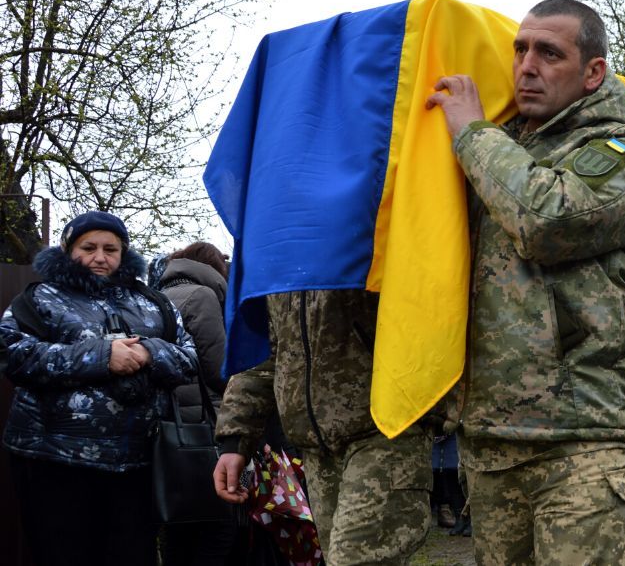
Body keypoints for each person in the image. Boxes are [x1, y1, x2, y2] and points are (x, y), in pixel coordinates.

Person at [425, 0, 625, 564]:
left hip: (581, 442)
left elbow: (547, 220)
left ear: (593, 72)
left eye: (549, 53)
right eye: (520, 49)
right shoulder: (500, 146)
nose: (527, 66)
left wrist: (472, 133)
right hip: (490, 439)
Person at [2, 210, 198, 566]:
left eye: (110, 249)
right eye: (88, 247)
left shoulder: (153, 302)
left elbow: (189, 358)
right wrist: (102, 356)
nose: (99, 257)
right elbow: (14, 355)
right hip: (56, 462)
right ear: (68, 250)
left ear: (123, 253)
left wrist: (149, 351)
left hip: (138, 464)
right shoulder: (39, 299)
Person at [213, 289, 436, 565]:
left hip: (384, 432)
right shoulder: (278, 268)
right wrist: (236, 440)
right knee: (335, 558)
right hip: (317, 450)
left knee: (353, 560)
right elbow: (264, 352)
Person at [158, 242, 238, 566]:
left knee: (179, 525)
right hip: (206, 430)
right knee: (220, 527)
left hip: (171, 430)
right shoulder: (202, 296)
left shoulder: (158, 296)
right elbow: (219, 369)